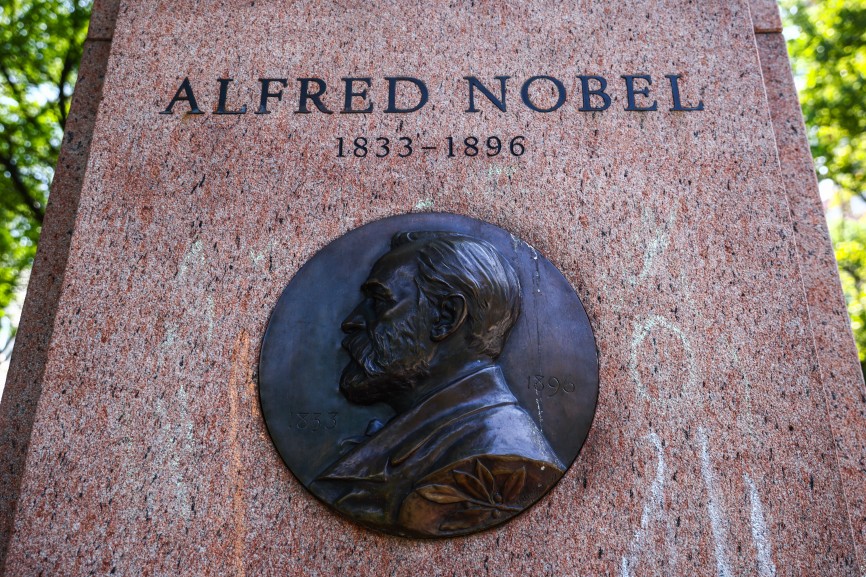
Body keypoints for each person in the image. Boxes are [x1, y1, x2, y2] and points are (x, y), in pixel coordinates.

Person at [312, 231, 564, 537]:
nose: (352, 320)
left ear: (446, 317)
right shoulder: (433, 436)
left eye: (379, 302)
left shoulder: (504, 462)